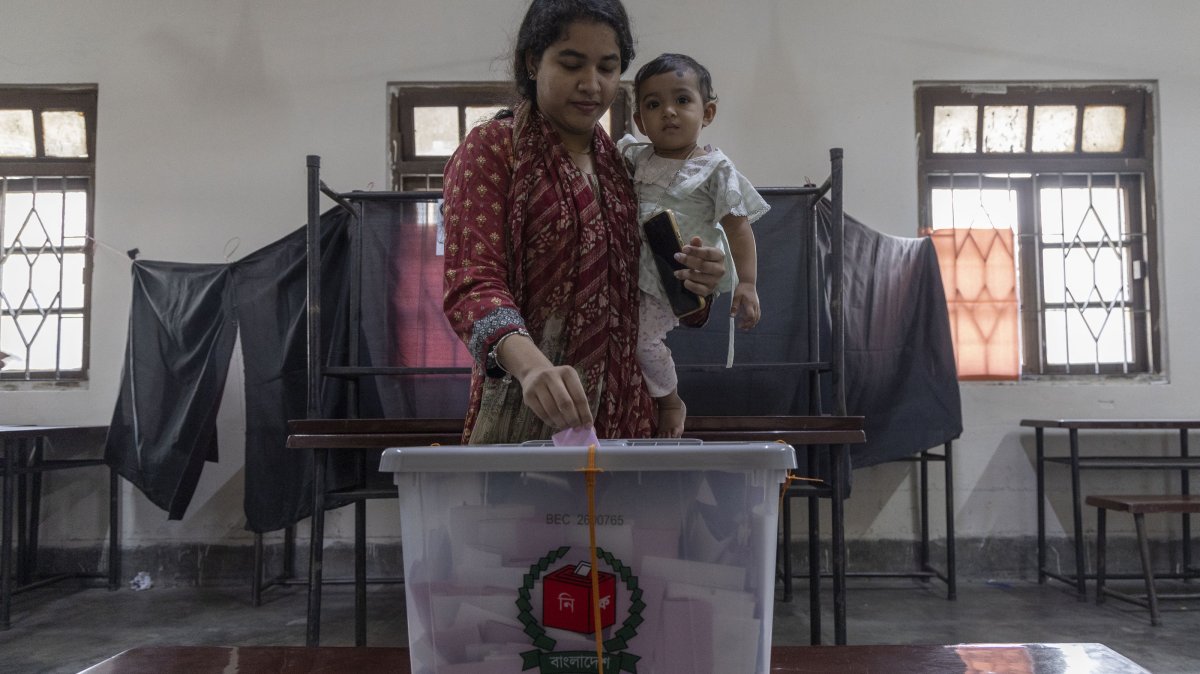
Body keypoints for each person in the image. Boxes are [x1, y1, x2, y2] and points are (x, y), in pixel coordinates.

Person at [441, 0, 727, 444]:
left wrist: (697, 282)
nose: (591, 84)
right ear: (533, 61)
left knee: (625, 515)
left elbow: (649, 289)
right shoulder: (497, 151)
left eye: (608, 68)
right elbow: (472, 283)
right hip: (529, 405)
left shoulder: (625, 165)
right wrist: (532, 367)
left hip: (627, 416)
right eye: (572, 64)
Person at [619, 53, 769, 437]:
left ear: (708, 112)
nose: (668, 112)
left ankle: (670, 400)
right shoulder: (634, 157)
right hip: (626, 271)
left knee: (641, 340)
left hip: (675, 277)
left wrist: (748, 284)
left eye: (682, 100)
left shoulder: (715, 169)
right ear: (640, 120)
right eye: (653, 104)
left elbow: (738, 228)